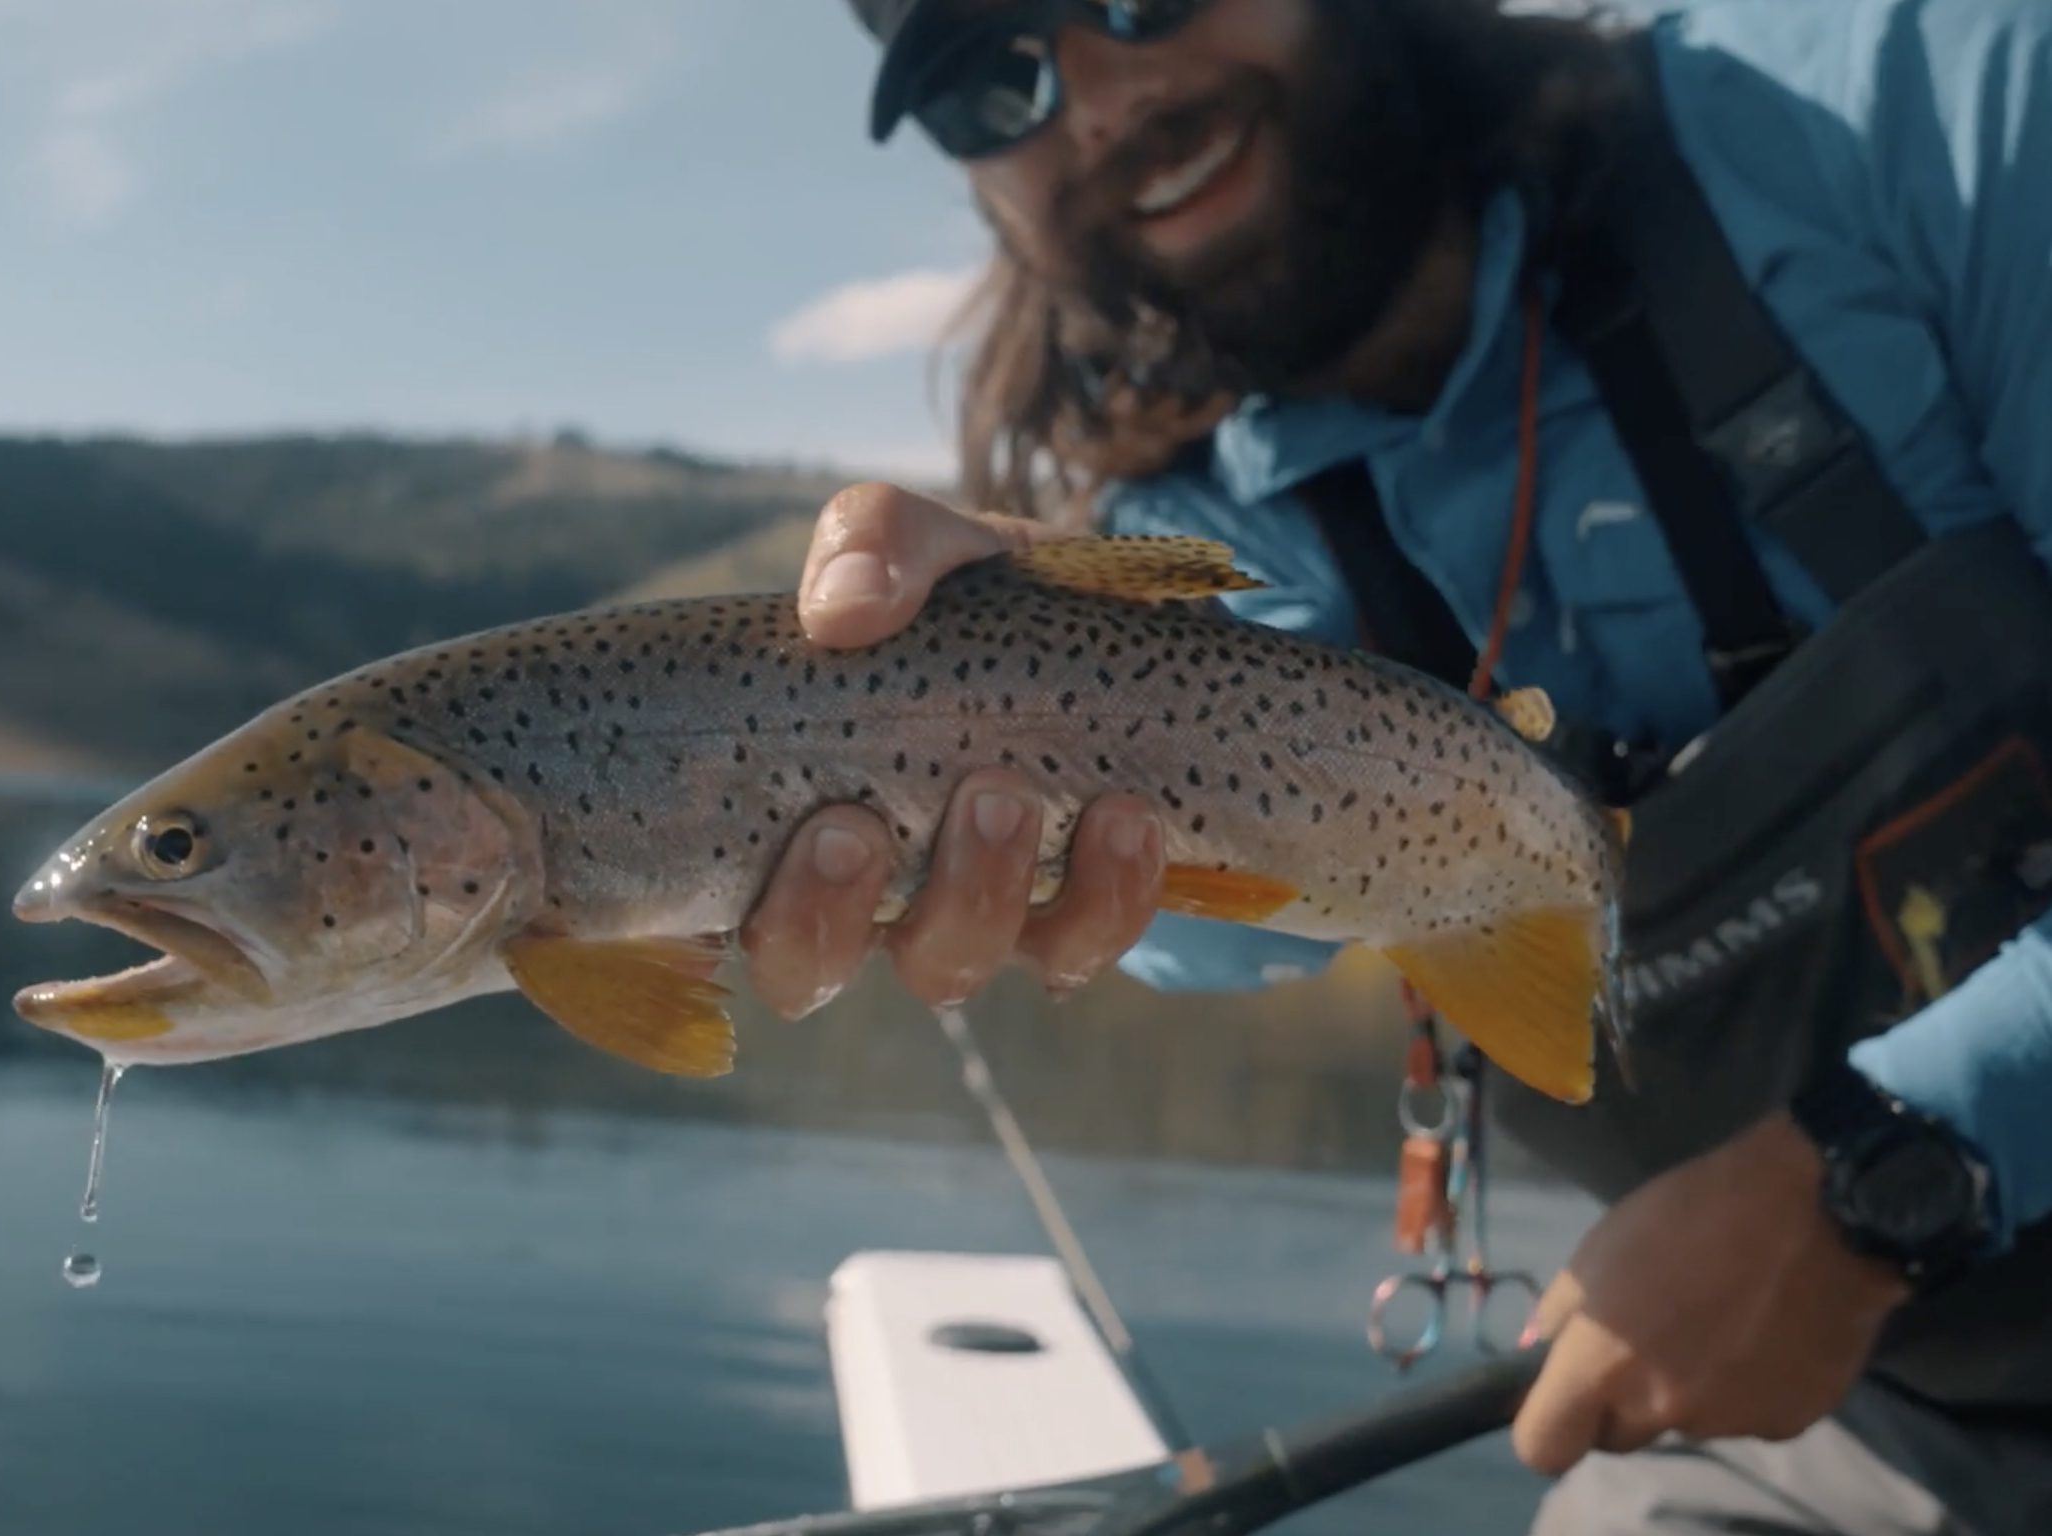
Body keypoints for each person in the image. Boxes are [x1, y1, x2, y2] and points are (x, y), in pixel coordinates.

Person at [735, 1, 2052, 1531]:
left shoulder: (1924, 104)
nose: (1091, 103)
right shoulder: (1222, 532)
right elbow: (1221, 924)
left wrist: (1880, 1176)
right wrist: (1016, 716)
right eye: (990, 86)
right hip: (1867, 1422)